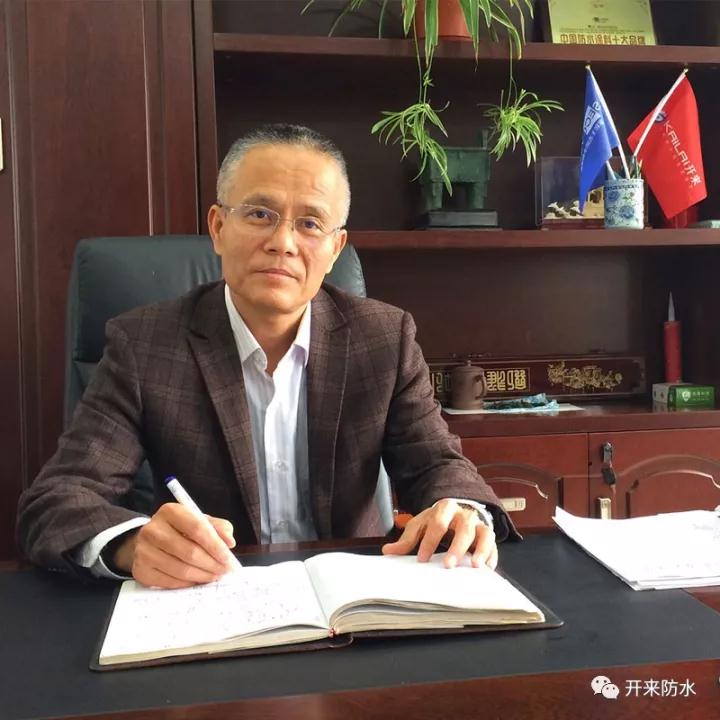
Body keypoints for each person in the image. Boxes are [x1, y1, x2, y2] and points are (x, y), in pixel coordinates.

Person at [17, 124, 516, 589]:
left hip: (355, 601)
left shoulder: (385, 338)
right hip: (214, 599)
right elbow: (59, 499)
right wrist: (130, 545)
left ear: (336, 248)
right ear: (218, 227)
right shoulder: (145, 344)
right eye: (259, 214)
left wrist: (461, 509)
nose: (283, 243)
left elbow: (436, 465)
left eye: (310, 223)